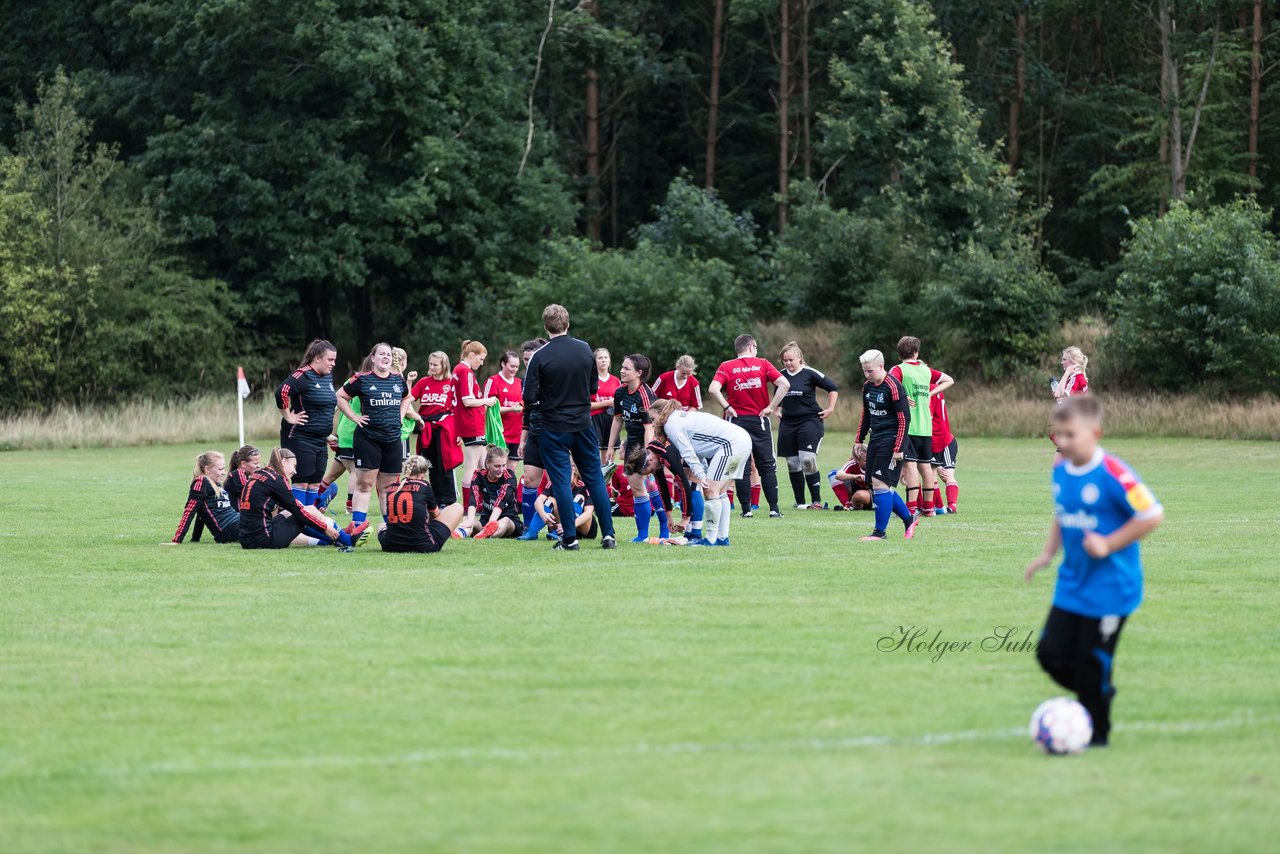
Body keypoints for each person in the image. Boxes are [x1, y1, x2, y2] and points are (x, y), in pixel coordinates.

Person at [1024, 396, 1163, 748]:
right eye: (1059, 435)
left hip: (1112, 589)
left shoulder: (1114, 473)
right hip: (1072, 584)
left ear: (1094, 433)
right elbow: (1063, 513)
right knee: (1050, 655)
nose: (1063, 442)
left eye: (1071, 435)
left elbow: (1152, 515)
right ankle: (1097, 689)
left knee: (1091, 660)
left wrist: (1109, 544)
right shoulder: (1060, 471)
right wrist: (1046, 553)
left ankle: (1096, 734)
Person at [522, 303, 618, 551]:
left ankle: (570, 539)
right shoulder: (585, 350)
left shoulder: (539, 356)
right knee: (595, 478)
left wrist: (551, 400)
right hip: (583, 424)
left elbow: (529, 396)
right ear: (568, 323)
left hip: (553, 427)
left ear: (546, 326)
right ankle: (608, 535)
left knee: (561, 481)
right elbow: (594, 388)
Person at [707, 334, 790, 519]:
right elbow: (784, 384)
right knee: (767, 465)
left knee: (739, 466)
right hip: (759, 420)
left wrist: (727, 407)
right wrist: (770, 407)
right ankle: (774, 509)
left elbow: (713, 389)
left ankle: (746, 511)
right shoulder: (763, 364)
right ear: (752, 347)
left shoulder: (726, 366)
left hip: (735, 422)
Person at [646, 399, 751, 546]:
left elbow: (688, 453)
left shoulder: (671, 424)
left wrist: (701, 476)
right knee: (720, 492)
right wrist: (702, 470)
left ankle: (710, 539)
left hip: (732, 444)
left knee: (710, 491)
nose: (652, 423)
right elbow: (699, 448)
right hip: (742, 440)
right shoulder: (680, 417)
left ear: (662, 413)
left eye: (653, 419)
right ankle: (722, 538)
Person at [336, 342, 418, 530]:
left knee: (388, 488)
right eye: (381, 354)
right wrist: (354, 417)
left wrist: (400, 415)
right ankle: (357, 526)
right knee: (364, 484)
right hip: (368, 439)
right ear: (373, 358)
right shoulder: (362, 379)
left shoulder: (398, 380)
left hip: (392, 440)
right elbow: (340, 396)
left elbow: (407, 397)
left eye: (388, 354)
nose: (385, 357)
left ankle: (391, 529)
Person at [238, 448, 368, 550]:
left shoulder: (261, 474)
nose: (295, 471)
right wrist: (324, 527)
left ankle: (338, 535)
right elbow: (300, 513)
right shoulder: (276, 480)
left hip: (247, 538)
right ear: (283, 462)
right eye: (294, 465)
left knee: (299, 510)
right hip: (263, 539)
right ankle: (345, 539)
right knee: (306, 512)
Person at [606, 354, 672, 543]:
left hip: (648, 442)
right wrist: (613, 446)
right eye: (622, 367)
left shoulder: (645, 394)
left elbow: (649, 428)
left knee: (651, 485)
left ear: (639, 373)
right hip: (632, 443)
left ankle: (664, 530)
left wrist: (648, 453)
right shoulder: (620, 392)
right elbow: (618, 419)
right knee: (637, 487)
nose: (622, 370)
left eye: (627, 368)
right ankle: (642, 534)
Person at [854, 349, 918, 541]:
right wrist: (859, 438)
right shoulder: (868, 387)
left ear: (881, 366)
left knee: (881, 484)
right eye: (864, 371)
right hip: (876, 439)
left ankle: (879, 533)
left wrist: (899, 448)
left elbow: (903, 420)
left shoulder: (893, 386)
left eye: (870, 371)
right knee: (878, 485)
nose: (867, 375)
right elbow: (866, 414)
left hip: (891, 440)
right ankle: (909, 519)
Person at [888, 336, 954, 517]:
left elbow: (888, 385)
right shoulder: (926, 371)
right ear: (916, 352)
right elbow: (949, 380)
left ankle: (910, 509)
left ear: (899, 352)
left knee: (910, 467)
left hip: (908, 427)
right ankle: (929, 509)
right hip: (926, 427)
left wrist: (901, 396)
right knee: (926, 467)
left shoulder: (899, 369)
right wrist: (931, 393)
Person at [776, 341, 839, 510]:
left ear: (799, 358)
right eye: (785, 361)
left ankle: (817, 501)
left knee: (807, 460)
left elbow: (833, 388)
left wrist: (831, 408)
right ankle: (800, 502)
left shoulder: (810, 373)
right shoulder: (780, 376)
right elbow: (779, 394)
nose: (788, 363)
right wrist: (778, 409)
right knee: (792, 463)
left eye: (791, 360)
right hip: (788, 423)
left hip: (810, 421)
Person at [274, 339, 338, 506]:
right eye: (330, 360)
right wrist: (288, 416)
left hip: (320, 440)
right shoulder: (303, 375)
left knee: (315, 483)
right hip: (300, 437)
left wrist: (327, 432)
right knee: (302, 482)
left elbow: (324, 406)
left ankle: (311, 522)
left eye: (334, 360)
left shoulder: (327, 377)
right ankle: (297, 523)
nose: (333, 364)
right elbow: (282, 392)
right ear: (317, 358)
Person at [315, 356, 371, 515]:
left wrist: (333, 431)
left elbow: (336, 405)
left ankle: (313, 499)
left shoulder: (352, 380)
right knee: (356, 470)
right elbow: (337, 402)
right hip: (354, 432)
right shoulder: (364, 382)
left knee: (333, 473)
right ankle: (350, 507)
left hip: (345, 431)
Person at [378, 455, 465, 553]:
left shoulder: (393, 488)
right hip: (423, 545)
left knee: (381, 525)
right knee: (457, 507)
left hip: (390, 545)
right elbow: (435, 516)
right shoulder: (424, 486)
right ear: (423, 474)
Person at [410, 351, 460, 506]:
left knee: (444, 465)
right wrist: (409, 382)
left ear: (443, 365)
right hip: (427, 428)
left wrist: (459, 432)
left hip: (445, 428)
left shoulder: (452, 383)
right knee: (430, 466)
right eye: (430, 364)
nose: (431, 367)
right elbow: (407, 399)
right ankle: (437, 501)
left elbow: (458, 408)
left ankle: (450, 501)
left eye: (435, 365)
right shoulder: (424, 382)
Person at [454, 340, 498, 513]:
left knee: (483, 464)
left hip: (473, 423)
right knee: (472, 466)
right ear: (471, 355)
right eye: (480, 359)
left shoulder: (459, 370)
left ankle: (483, 502)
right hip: (472, 424)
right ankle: (468, 506)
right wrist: (487, 401)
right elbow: (467, 400)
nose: (482, 363)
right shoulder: (465, 372)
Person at [166, 450, 239, 544]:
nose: (224, 472)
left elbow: (201, 513)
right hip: (227, 530)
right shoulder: (201, 482)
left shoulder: (215, 484)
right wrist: (176, 540)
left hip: (237, 521)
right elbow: (190, 511)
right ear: (207, 469)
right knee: (258, 523)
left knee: (258, 518)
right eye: (220, 469)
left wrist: (195, 538)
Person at [520, 462, 598, 542]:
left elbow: (588, 514)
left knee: (579, 497)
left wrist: (570, 525)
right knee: (551, 500)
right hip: (560, 525)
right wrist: (543, 514)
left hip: (582, 528)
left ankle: (566, 529)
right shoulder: (555, 482)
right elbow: (538, 502)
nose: (561, 475)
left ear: (573, 469)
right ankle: (532, 533)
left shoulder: (584, 484)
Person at [517, 338, 549, 529]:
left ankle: (555, 526)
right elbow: (527, 413)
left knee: (555, 482)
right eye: (525, 359)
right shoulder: (525, 383)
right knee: (529, 479)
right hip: (534, 436)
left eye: (531, 359)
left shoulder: (551, 378)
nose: (528, 363)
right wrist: (523, 440)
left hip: (553, 435)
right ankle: (529, 527)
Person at [460, 444, 522, 539]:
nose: (501, 470)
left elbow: (501, 500)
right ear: (488, 464)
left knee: (504, 522)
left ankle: (486, 532)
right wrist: (470, 520)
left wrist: (492, 522)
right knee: (467, 519)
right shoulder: (478, 476)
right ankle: (461, 532)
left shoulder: (509, 476)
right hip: (486, 519)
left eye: (504, 465)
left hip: (510, 520)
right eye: (497, 466)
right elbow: (473, 499)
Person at [484, 350, 524, 473]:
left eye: (517, 366)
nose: (514, 369)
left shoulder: (520, 383)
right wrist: (511, 409)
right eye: (512, 366)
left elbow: (524, 403)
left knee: (510, 470)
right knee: (496, 469)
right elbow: (487, 408)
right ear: (503, 364)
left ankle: (507, 492)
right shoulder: (493, 381)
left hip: (517, 434)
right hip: (499, 435)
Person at [929, 380, 959, 514]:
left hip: (944, 442)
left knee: (946, 475)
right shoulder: (937, 389)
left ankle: (951, 507)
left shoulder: (929, 390)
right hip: (937, 440)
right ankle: (939, 507)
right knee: (932, 473)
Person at [391, 347, 425, 460]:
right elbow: (407, 409)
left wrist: (409, 382)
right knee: (397, 468)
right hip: (401, 431)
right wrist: (419, 418)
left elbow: (406, 398)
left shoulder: (388, 377)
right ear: (403, 361)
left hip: (391, 429)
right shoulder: (397, 378)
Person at [590, 348, 622, 465]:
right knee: (593, 454)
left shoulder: (616, 381)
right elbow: (585, 405)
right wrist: (607, 402)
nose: (603, 360)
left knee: (608, 455)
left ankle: (607, 482)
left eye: (605, 357)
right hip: (594, 419)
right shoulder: (590, 380)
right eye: (600, 358)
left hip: (611, 419)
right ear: (594, 361)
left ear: (609, 360)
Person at [829, 445, 872, 511]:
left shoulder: (876, 463)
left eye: (870, 459)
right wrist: (854, 477)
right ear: (857, 460)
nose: (869, 462)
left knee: (859, 496)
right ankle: (848, 505)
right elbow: (837, 475)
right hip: (856, 489)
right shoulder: (853, 463)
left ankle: (876, 504)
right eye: (865, 461)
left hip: (873, 492)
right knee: (832, 474)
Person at [223, 444, 261, 509]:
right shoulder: (238, 474)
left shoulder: (242, 475)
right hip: (237, 515)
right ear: (243, 464)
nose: (259, 466)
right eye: (255, 463)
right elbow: (249, 492)